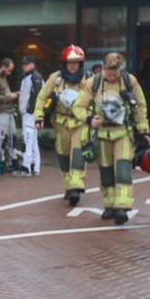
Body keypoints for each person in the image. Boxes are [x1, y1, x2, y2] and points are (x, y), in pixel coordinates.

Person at [73, 51, 150, 225]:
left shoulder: (129, 82)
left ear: (120, 70)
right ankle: (109, 205)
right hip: (101, 134)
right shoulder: (92, 83)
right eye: (108, 73)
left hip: (123, 132)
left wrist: (144, 130)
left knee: (123, 168)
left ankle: (122, 207)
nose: (111, 76)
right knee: (106, 171)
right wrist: (88, 119)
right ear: (102, 68)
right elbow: (78, 106)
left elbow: (139, 107)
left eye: (115, 73)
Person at [35, 45, 88, 203]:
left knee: (78, 153)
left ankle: (76, 185)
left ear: (81, 63)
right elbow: (41, 97)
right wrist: (39, 115)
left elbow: (97, 99)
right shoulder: (55, 79)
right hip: (61, 122)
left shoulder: (89, 79)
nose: (73, 66)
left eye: (76, 62)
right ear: (64, 64)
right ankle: (68, 184)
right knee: (63, 155)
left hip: (80, 123)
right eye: (69, 63)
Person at [0, 58, 22, 173]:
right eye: (9, 70)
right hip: (0, 112)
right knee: (2, 138)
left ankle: (10, 161)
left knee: (11, 137)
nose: (9, 73)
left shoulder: (3, 78)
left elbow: (4, 94)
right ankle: (1, 161)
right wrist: (9, 96)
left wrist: (13, 95)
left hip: (8, 111)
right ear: (3, 66)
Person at [16, 55, 44, 177]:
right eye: (23, 64)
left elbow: (37, 95)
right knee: (32, 140)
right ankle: (35, 166)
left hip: (30, 114)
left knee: (28, 139)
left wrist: (30, 109)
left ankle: (26, 167)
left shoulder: (34, 77)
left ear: (32, 64)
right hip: (30, 113)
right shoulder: (31, 77)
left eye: (26, 64)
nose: (24, 66)